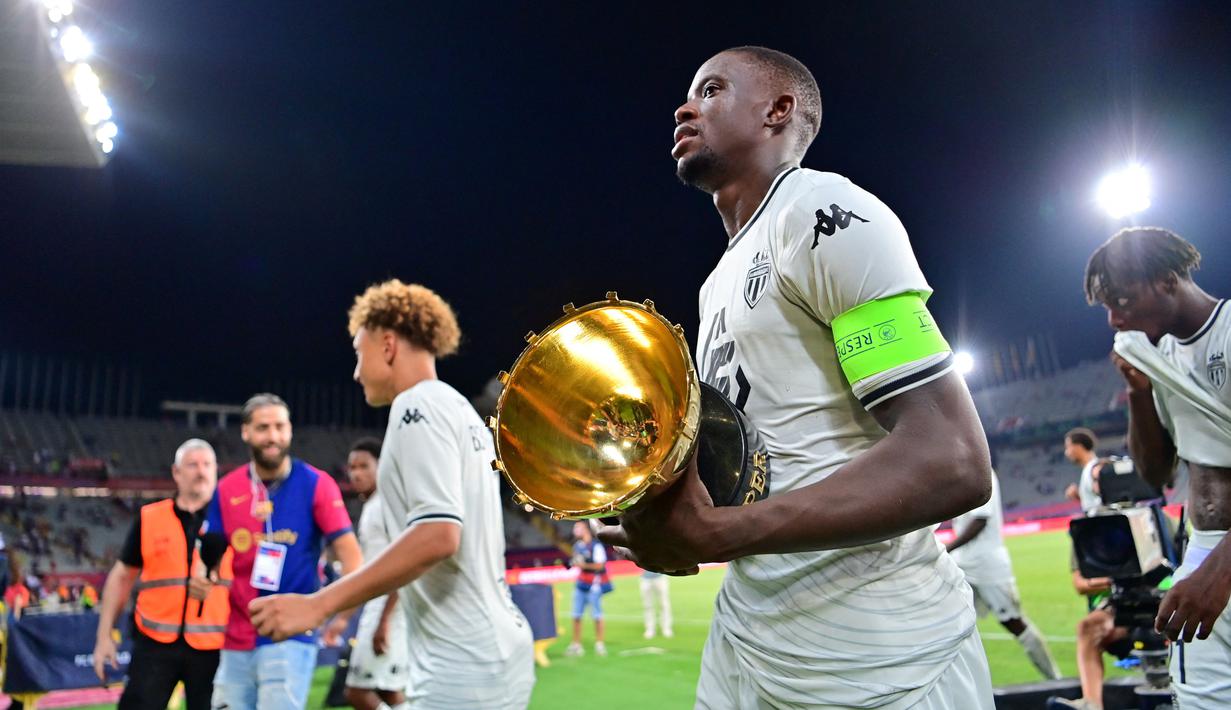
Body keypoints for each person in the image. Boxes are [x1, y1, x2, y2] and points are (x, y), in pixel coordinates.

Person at [598, 46, 994, 708]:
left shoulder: (822, 214)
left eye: (712, 89)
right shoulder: (717, 281)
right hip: (752, 632)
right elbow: (763, 460)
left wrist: (715, 533)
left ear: (777, 111)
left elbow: (950, 459)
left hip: (875, 654)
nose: (684, 106)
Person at [249, 280, 535, 708]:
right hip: (495, 648)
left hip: (462, 663)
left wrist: (318, 605)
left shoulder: (415, 406)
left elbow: (439, 534)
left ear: (387, 345)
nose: (356, 371)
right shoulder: (460, 410)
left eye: (358, 353)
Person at [1085, 226, 1231, 707]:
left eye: (1122, 300)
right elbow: (1156, 474)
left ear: (1168, 280)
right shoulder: (1161, 356)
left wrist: (1217, 575)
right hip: (1207, 549)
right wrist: (1139, 392)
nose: (1113, 318)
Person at [207, 394, 363, 710]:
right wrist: (201, 575)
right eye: (263, 428)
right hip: (236, 639)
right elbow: (207, 555)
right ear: (246, 432)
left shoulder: (317, 484)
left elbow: (353, 560)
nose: (273, 436)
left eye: (280, 426)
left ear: (290, 430)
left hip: (291, 636)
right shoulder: (226, 489)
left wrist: (339, 618)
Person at [92, 439, 230, 710]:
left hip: (214, 646)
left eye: (207, 465)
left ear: (216, 471)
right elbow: (121, 577)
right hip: (154, 644)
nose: (200, 471)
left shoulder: (232, 520)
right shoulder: (150, 517)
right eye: (192, 465)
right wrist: (103, 636)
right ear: (176, 473)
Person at [946, 472, 1062, 679]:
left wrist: (948, 547)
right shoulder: (957, 473)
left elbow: (980, 520)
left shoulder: (980, 471)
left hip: (987, 563)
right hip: (962, 564)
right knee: (950, 624)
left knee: (1015, 623)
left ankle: (1055, 678)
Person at [344, 436, 411, 710]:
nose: (356, 473)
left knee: (357, 692)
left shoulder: (386, 505)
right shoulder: (373, 505)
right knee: (389, 692)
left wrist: (384, 620)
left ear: (380, 466)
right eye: (352, 467)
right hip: (381, 607)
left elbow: (405, 562)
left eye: (364, 466)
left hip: (388, 610)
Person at [566, 521, 609, 658]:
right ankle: (576, 644)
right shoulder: (577, 546)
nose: (575, 530)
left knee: (597, 615)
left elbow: (600, 566)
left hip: (594, 585)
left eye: (577, 527)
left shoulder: (596, 546)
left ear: (585, 529)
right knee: (576, 615)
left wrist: (584, 565)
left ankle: (600, 644)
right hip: (580, 584)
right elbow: (575, 562)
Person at [1063, 428, 1102, 513]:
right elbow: (1095, 500)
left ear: (1078, 447)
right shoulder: (1089, 468)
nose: (1066, 453)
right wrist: (1080, 496)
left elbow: (1104, 500)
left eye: (1068, 447)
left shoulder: (1094, 469)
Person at [640, 570, 673, 640]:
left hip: (660, 577)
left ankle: (666, 628)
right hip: (645, 578)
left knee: (664, 604)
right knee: (647, 606)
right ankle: (650, 629)